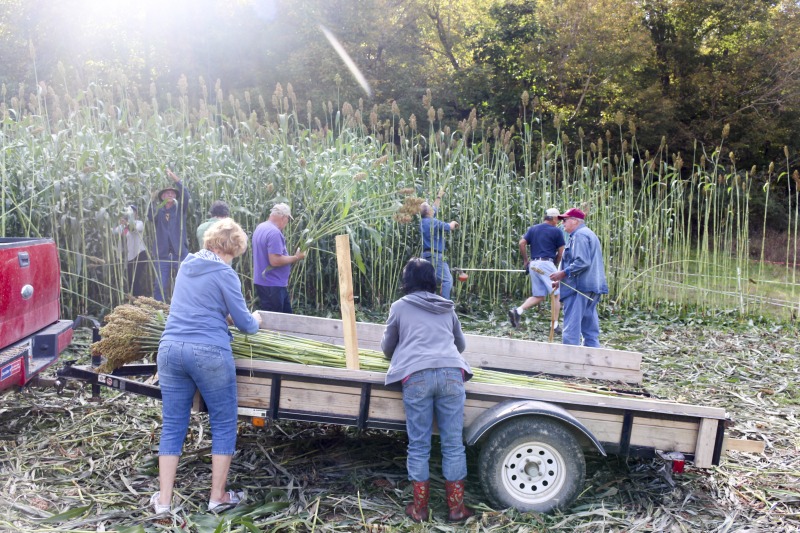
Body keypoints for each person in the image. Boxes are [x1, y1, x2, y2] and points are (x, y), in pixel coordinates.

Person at [150, 218, 262, 514]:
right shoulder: (226, 274)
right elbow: (246, 325)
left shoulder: (187, 266)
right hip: (209, 352)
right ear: (233, 248)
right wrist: (257, 320)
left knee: (173, 425)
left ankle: (163, 503)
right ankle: (217, 497)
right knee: (224, 422)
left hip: (171, 348)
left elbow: (195, 306)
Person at [381, 258, 474, 523]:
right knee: (453, 444)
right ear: (433, 280)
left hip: (416, 376)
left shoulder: (399, 307)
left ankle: (419, 509)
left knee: (419, 445)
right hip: (451, 375)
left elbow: (387, 348)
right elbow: (461, 345)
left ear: (407, 280)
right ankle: (457, 509)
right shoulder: (447, 307)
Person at [549, 208, 608, 347]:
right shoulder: (589, 234)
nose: (562, 223)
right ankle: (592, 361)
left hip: (579, 289)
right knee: (590, 330)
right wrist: (561, 281)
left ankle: (570, 363)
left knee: (571, 329)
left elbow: (582, 261)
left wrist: (562, 274)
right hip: (592, 287)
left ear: (575, 221)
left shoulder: (579, 236)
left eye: (565, 220)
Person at [508, 208, 565, 332]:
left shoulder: (533, 229)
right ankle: (554, 326)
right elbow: (561, 252)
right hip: (546, 263)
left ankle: (517, 311)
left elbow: (521, 243)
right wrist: (555, 265)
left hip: (533, 264)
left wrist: (525, 261)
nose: (559, 222)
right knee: (556, 294)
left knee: (539, 295)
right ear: (554, 218)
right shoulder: (557, 231)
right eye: (558, 219)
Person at [252, 203, 305, 313]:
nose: (287, 223)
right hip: (273, 284)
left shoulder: (260, 227)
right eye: (288, 220)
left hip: (264, 282)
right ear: (283, 217)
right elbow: (275, 261)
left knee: (286, 317)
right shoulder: (274, 233)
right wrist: (296, 257)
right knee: (277, 322)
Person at [149, 169, 191, 302]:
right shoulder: (158, 211)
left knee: (185, 283)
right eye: (167, 193)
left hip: (180, 253)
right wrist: (151, 200)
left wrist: (176, 179)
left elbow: (186, 195)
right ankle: (159, 311)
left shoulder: (180, 209)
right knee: (160, 285)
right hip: (162, 254)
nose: (170, 194)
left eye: (172, 193)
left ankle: (184, 307)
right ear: (162, 197)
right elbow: (149, 216)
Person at [419, 190, 459, 300]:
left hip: (426, 256)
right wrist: (454, 223)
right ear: (428, 212)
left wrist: (439, 196)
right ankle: (444, 305)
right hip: (436, 256)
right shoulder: (434, 222)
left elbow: (434, 208)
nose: (432, 209)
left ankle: (429, 304)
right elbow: (450, 226)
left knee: (430, 281)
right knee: (447, 280)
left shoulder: (423, 221)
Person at [113, 205, 149, 298]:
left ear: (136, 214)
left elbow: (134, 229)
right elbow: (116, 232)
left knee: (135, 279)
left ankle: (140, 301)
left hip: (140, 254)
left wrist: (126, 224)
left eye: (132, 212)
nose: (130, 213)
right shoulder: (124, 227)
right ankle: (135, 301)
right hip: (131, 256)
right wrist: (119, 222)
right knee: (130, 280)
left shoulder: (139, 223)